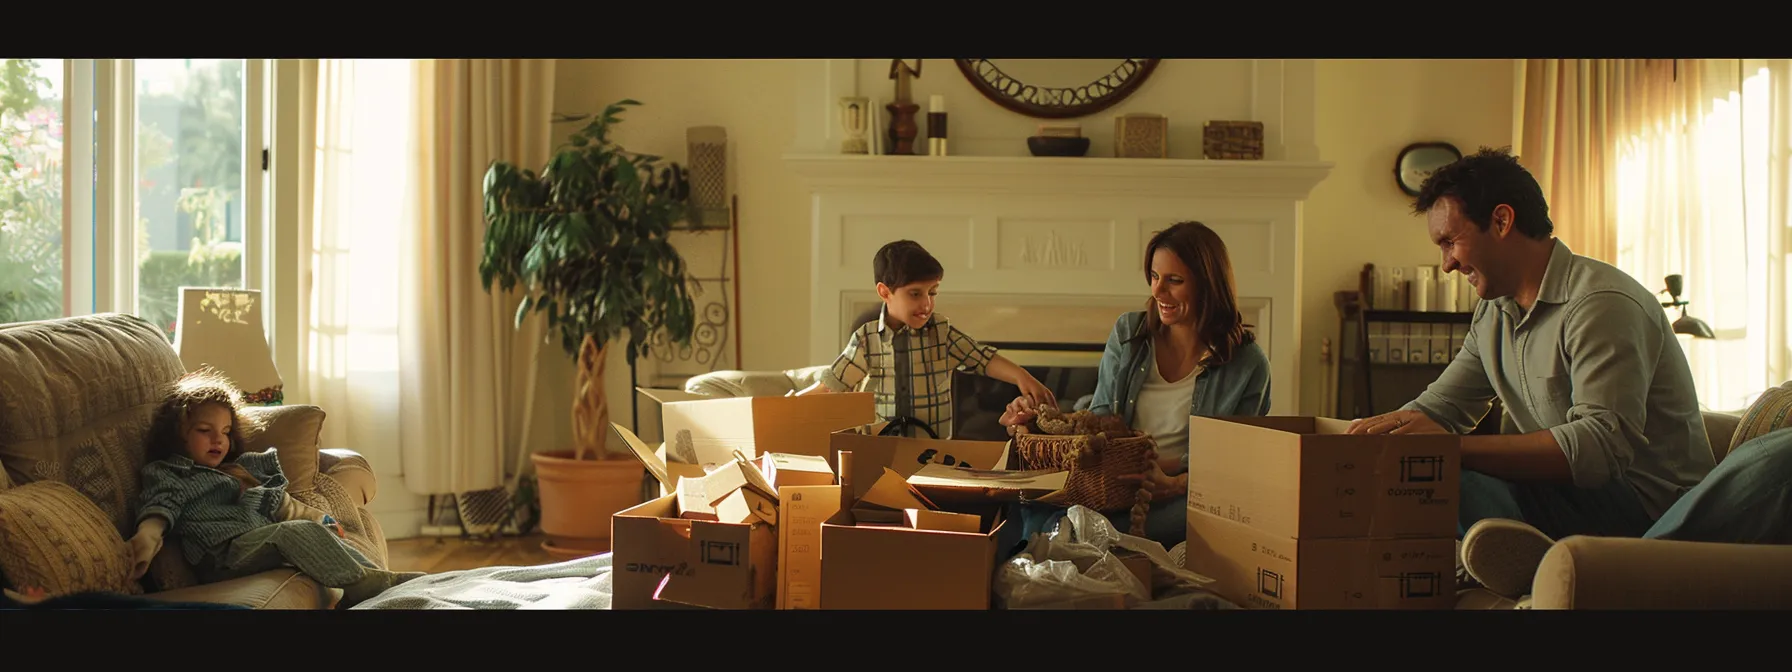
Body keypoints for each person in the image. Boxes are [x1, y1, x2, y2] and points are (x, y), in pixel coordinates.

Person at [1346, 146, 1714, 544]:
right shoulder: (1495, 313)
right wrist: (1358, 448)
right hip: (1573, 498)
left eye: (1450, 241)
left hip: (1657, 517)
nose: (1447, 264)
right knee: (1424, 474)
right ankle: (1510, 556)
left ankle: (1517, 558)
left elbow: (1598, 450)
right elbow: (1440, 408)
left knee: (1448, 476)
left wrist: (1454, 450)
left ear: (1502, 221)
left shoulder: (1600, 304)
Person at [998, 221, 1273, 547]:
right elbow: (1098, 419)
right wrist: (1037, 421)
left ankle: (1080, 536)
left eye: (1174, 281)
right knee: (1017, 503)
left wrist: (1175, 483)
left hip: (1183, 492)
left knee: (1204, 516)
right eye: (1155, 277)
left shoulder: (1248, 364)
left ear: (1208, 285)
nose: (1157, 292)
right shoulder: (1129, 333)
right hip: (1111, 480)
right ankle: (1078, 535)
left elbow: (1237, 461)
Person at [127, 368, 426, 609]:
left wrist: (319, 519)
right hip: (221, 555)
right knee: (290, 532)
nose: (218, 440)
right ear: (177, 435)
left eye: (226, 432)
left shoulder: (239, 471)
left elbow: (282, 505)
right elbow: (160, 505)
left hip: (256, 542)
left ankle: (378, 580)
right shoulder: (172, 472)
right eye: (205, 431)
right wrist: (148, 534)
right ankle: (364, 587)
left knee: (307, 530)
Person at [799, 240, 1057, 439]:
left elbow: (981, 359)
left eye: (932, 292)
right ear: (884, 292)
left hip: (933, 451)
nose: (927, 303)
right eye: (915, 294)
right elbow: (834, 383)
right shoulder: (866, 340)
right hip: (880, 448)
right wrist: (788, 406)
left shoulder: (942, 334)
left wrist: (1021, 376)